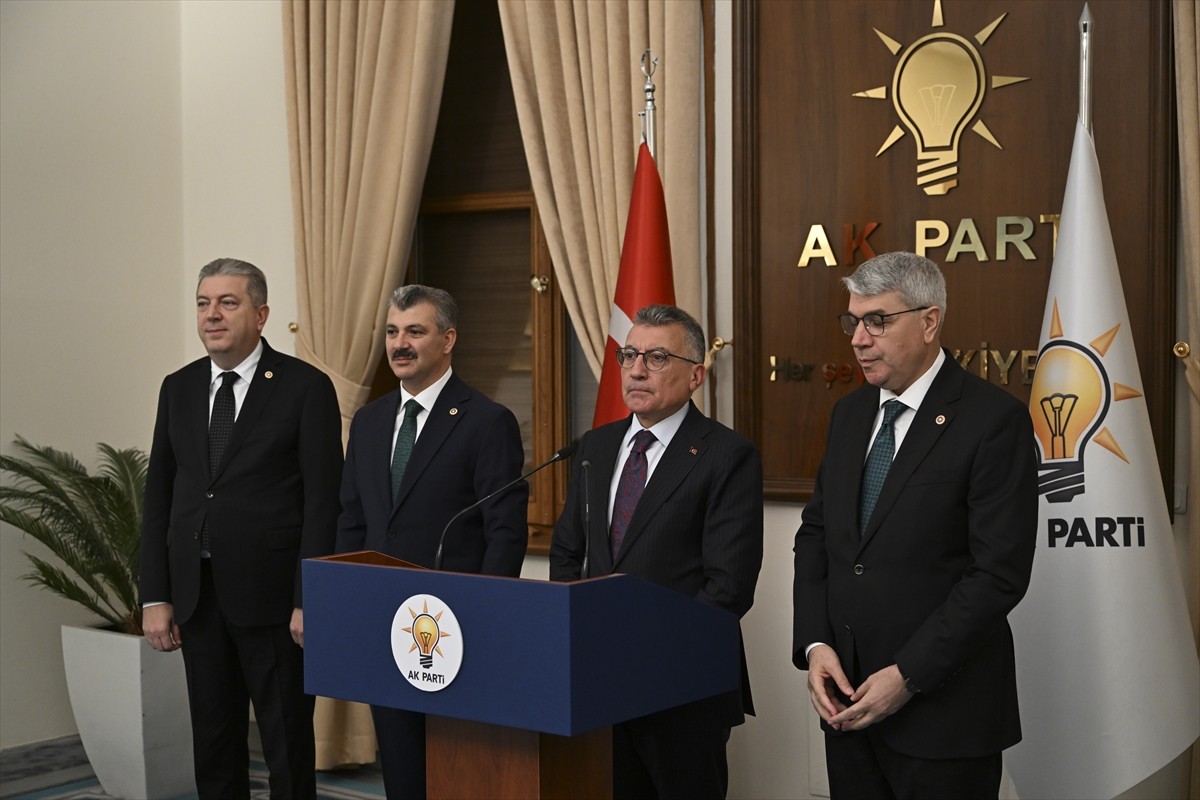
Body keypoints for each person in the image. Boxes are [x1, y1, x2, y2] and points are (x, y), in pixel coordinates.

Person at [792, 251, 1037, 799]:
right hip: (849, 708)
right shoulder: (850, 414)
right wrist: (814, 644)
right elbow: (817, 536)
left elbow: (997, 574)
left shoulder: (993, 421)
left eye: (877, 321)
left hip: (946, 719)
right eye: (852, 321)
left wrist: (906, 676)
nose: (858, 338)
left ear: (930, 322)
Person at [139, 258, 343, 798]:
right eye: (204, 303)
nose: (212, 315)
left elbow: (324, 503)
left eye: (228, 303)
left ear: (261, 314)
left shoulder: (305, 387)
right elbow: (159, 499)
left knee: (286, 748)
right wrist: (155, 594)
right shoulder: (177, 387)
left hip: (276, 602)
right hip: (198, 598)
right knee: (213, 744)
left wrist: (311, 597)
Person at [550, 304, 763, 800]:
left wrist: (650, 657)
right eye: (629, 355)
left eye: (657, 357)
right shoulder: (596, 446)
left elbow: (728, 586)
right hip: (599, 677)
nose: (637, 369)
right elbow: (567, 551)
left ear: (696, 375)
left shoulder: (726, 454)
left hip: (682, 686)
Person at [336, 283, 528, 798]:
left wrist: (487, 614)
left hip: (456, 628)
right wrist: (345, 599)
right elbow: (352, 520)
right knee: (400, 766)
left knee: (457, 769)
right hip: (384, 619)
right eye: (393, 332)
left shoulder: (488, 422)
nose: (400, 344)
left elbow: (504, 533)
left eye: (415, 332)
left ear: (447, 341)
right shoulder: (370, 421)